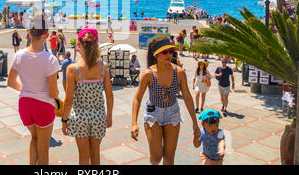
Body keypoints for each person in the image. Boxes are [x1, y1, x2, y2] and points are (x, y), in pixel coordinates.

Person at [131, 37, 200, 165]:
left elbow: (187, 97)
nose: (169, 54)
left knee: (169, 158)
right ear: (156, 54)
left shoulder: (179, 72)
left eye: (171, 51)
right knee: (156, 157)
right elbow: (137, 98)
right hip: (153, 114)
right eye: (165, 52)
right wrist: (134, 123)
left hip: (172, 113)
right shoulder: (148, 74)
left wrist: (195, 124)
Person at [7, 14, 60, 165]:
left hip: (25, 104)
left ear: (29, 33)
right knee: (43, 149)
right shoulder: (50, 60)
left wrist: (28, 89)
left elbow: (10, 82)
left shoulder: (19, 55)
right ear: (46, 35)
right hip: (43, 105)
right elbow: (53, 92)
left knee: (34, 139)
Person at [61, 26, 114, 165]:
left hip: (80, 118)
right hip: (98, 116)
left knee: (83, 156)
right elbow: (109, 95)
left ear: (78, 45)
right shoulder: (104, 67)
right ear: (96, 45)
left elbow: (68, 99)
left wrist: (64, 120)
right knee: (95, 154)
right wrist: (109, 116)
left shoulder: (73, 69)